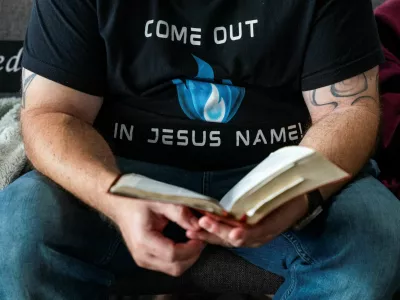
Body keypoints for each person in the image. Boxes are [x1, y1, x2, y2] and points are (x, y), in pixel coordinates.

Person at [0, 0, 399, 299]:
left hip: (281, 171)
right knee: (17, 230)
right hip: (120, 169)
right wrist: (116, 197)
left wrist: (298, 194)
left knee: (381, 239)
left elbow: (350, 108)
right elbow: (53, 113)